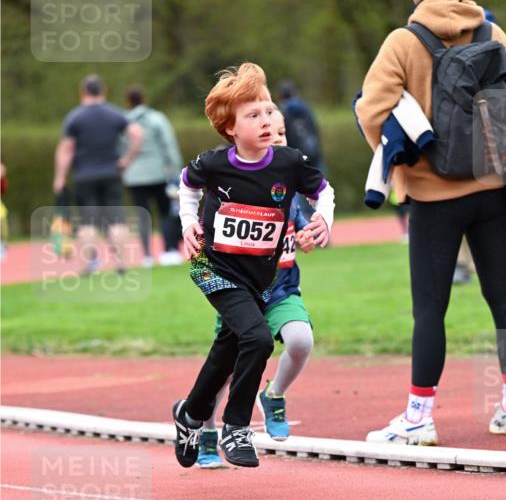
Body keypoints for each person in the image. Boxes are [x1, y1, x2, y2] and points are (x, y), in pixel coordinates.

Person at [356, 0, 506, 443]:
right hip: (494, 188)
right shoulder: (492, 34)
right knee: (504, 298)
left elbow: (373, 112)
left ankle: (419, 416)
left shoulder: (403, 42)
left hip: (433, 195)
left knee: (431, 307)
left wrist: (404, 160)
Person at [172, 63, 334, 469]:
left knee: (226, 352)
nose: (265, 122)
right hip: (213, 269)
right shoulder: (213, 163)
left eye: (268, 112)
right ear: (231, 128)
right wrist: (189, 223)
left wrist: (323, 221)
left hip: (259, 278)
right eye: (253, 115)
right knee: (259, 339)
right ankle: (235, 427)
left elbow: (324, 191)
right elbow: (186, 186)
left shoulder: (289, 163)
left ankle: (190, 413)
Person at [197, 110, 317, 466]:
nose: (277, 139)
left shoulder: (291, 190)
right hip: (240, 293)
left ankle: (274, 395)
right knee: (226, 371)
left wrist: (310, 236)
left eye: (283, 133)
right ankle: (204, 431)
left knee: (300, 341)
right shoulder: (235, 185)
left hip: (281, 292)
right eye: (270, 133)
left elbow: (307, 225)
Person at [53, 75, 143, 274]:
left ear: (82, 92)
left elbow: (66, 150)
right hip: (111, 173)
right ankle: (121, 264)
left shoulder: (75, 117)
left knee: (88, 222)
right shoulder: (114, 114)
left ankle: (89, 265)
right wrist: (127, 160)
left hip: (84, 175)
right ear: (103, 91)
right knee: (116, 220)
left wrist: (59, 177)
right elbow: (137, 133)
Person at [123, 85, 183, 266]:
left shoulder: (124, 122)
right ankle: (169, 251)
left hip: (134, 176)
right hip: (158, 174)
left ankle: (147, 256)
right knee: (165, 212)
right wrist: (176, 170)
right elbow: (169, 145)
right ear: (144, 99)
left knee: (143, 215)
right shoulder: (157, 118)